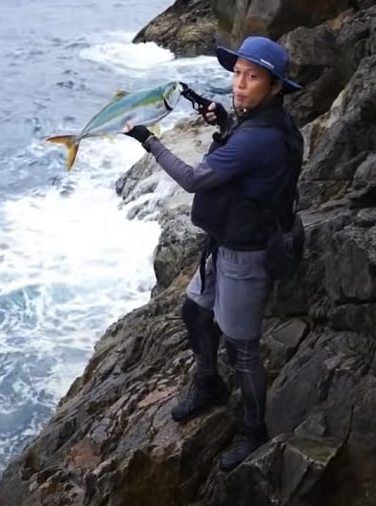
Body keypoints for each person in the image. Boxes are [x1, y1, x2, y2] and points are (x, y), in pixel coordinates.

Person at [123, 36, 304, 471]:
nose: (240, 85)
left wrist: (149, 139)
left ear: (276, 86)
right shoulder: (256, 120)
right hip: (223, 242)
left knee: (243, 349)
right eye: (237, 74)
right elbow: (239, 143)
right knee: (194, 313)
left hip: (247, 252)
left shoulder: (260, 138)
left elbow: (192, 178)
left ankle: (252, 430)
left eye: (253, 77)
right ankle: (208, 384)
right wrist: (222, 119)